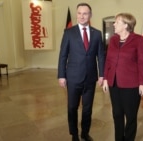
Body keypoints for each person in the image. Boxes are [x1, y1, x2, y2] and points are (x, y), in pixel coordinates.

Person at [57, 3, 105, 141]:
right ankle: (74, 134)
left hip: (90, 78)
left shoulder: (97, 34)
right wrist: (61, 75)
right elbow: (63, 55)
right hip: (73, 77)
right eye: (79, 13)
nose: (82, 16)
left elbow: (100, 56)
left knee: (87, 109)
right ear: (76, 14)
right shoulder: (69, 32)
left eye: (85, 13)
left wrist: (102, 74)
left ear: (90, 15)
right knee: (72, 107)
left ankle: (85, 133)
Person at [102, 13, 143, 141]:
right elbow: (108, 61)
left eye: (117, 22)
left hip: (131, 85)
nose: (114, 24)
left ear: (126, 25)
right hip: (114, 84)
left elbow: (141, 62)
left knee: (131, 116)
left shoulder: (138, 40)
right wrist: (106, 78)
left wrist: (142, 83)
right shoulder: (113, 40)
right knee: (117, 114)